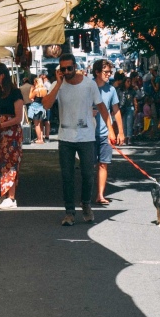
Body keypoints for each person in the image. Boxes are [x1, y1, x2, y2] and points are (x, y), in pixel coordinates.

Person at [42, 53, 114, 226]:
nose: (66, 72)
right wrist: (58, 84)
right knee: (67, 176)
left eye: (69, 68)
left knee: (88, 174)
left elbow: (102, 107)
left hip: (86, 137)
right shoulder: (58, 85)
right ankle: (69, 212)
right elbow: (46, 104)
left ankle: (86, 203)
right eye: (63, 69)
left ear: (75, 66)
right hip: (66, 138)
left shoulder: (89, 84)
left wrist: (110, 130)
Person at [0, 64, 25, 210]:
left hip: (11, 133)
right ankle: (4, 195)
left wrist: (0, 125)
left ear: (2, 75)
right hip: (0, 132)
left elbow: (18, 118)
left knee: (10, 163)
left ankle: (11, 197)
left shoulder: (15, 92)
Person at [92, 59, 125, 205]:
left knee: (103, 163)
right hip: (88, 133)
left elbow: (116, 111)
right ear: (97, 72)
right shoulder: (88, 87)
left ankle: (100, 195)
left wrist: (120, 132)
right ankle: (87, 195)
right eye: (106, 72)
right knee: (90, 166)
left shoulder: (111, 90)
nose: (109, 75)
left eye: (110, 72)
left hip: (105, 132)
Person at [116, 74, 138, 145]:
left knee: (129, 123)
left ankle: (129, 138)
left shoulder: (132, 90)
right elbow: (117, 100)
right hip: (122, 108)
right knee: (123, 123)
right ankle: (124, 138)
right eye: (127, 81)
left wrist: (136, 108)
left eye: (130, 81)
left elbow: (135, 99)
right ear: (124, 82)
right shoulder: (120, 90)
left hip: (130, 107)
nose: (129, 83)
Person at [28, 75, 49, 143]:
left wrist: (31, 90)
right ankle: (41, 138)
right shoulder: (45, 90)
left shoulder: (36, 90)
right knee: (41, 123)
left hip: (35, 107)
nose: (34, 84)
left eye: (34, 82)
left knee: (36, 124)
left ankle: (39, 139)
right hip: (42, 107)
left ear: (36, 82)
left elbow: (30, 97)